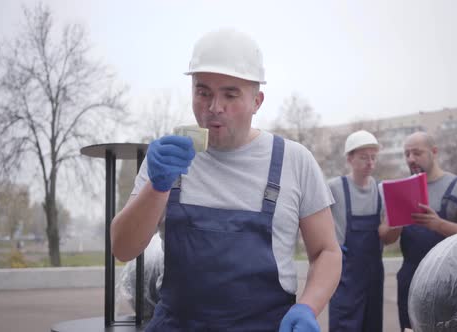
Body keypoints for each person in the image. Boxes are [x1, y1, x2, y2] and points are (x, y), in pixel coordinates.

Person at [111, 28, 341, 332]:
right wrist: (158, 186)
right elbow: (123, 248)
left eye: (230, 94)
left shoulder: (293, 161)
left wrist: (308, 307)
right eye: (202, 91)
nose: (213, 106)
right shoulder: (168, 158)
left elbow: (326, 250)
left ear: (257, 101)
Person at [378, 131, 457, 331]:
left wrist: (438, 224)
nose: (411, 159)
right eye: (406, 154)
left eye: (417, 153)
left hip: (452, 281)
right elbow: (385, 236)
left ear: (434, 152)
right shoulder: (398, 190)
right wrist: (398, 220)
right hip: (410, 278)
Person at [328, 130, 384, 332]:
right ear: (349, 158)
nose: (370, 163)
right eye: (363, 157)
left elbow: (387, 234)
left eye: (373, 157)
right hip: (344, 275)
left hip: (373, 275)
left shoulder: (381, 190)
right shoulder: (334, 188)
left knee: (372, 325)